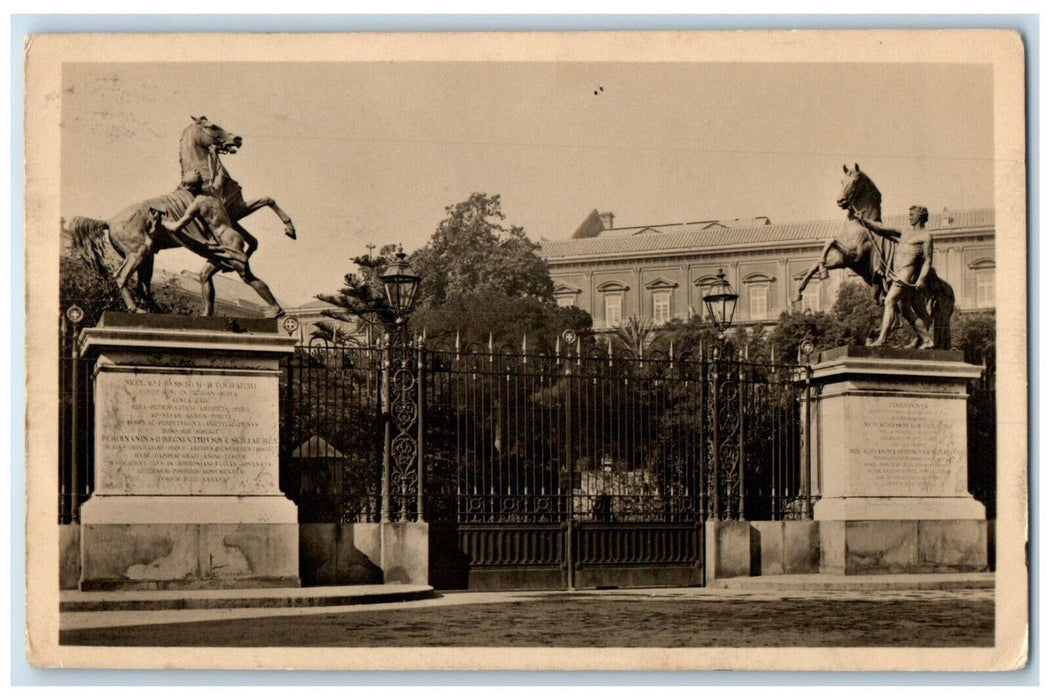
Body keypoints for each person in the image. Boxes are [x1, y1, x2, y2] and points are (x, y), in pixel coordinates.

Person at [153, 172, 283, 318]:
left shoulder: (196, 205)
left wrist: (162, 222)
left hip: (227, 241)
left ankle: (275, 307)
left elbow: (177, 227)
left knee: (247, 277)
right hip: (230, 238)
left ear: (189, 189)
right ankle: (208, 313)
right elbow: (218, 177)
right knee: (204, 275)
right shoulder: (214, 194)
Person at [852, 205, 935, 349]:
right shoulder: (905, 232)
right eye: (909, 214)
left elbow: (928, 259)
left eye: (912, 214)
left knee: (889, 301)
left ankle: (882, 339)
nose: (909, 217)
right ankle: (927, 340)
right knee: (906, 310)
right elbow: (881, 229)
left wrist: (922, 278)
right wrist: (863, 220)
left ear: (920, 216)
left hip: (907, 274)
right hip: (897, 272)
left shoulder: (926, 236)